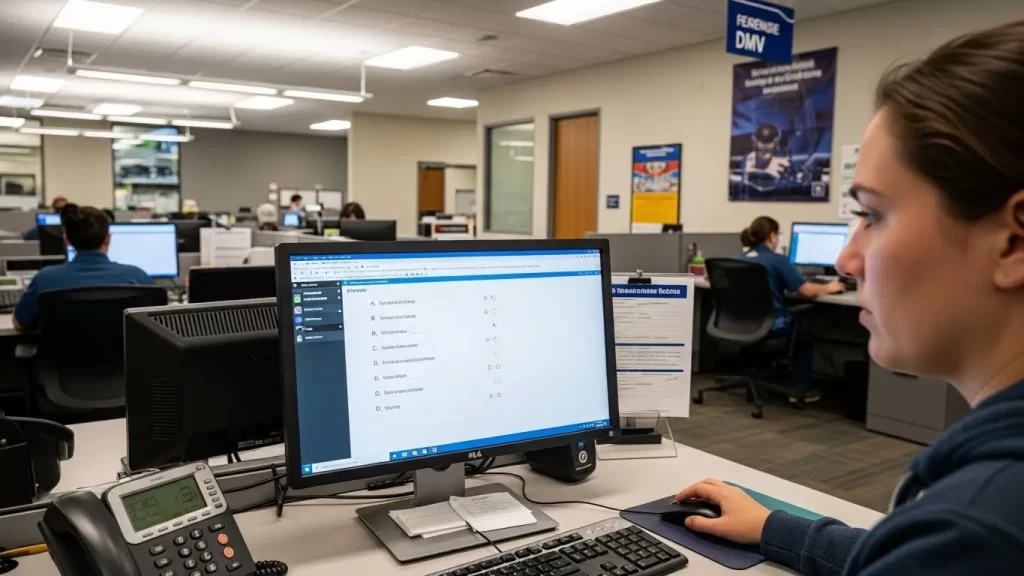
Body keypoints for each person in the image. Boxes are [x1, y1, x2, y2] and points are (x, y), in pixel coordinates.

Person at [677, 22, 1024, 575]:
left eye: (873, 215)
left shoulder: (978, 527)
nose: (847, 258)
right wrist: (773, 527)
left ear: (1013, 242)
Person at [739, 215, 844, 402]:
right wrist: (829, 287)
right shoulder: (778, 260)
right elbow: (807, 291)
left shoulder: (740, 258)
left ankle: (762, 376)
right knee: (805, 332)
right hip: (770, 325)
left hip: (742, 323)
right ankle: (799, 391)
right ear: (772, 236)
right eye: (777, 235)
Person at [13, 204, 153, 332]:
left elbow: (20, 324)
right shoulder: (137, 277)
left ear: (67, 239)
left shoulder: (45, 278)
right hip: (123, 360)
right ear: (108, 238)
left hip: (62, 360)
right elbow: (154, 327)